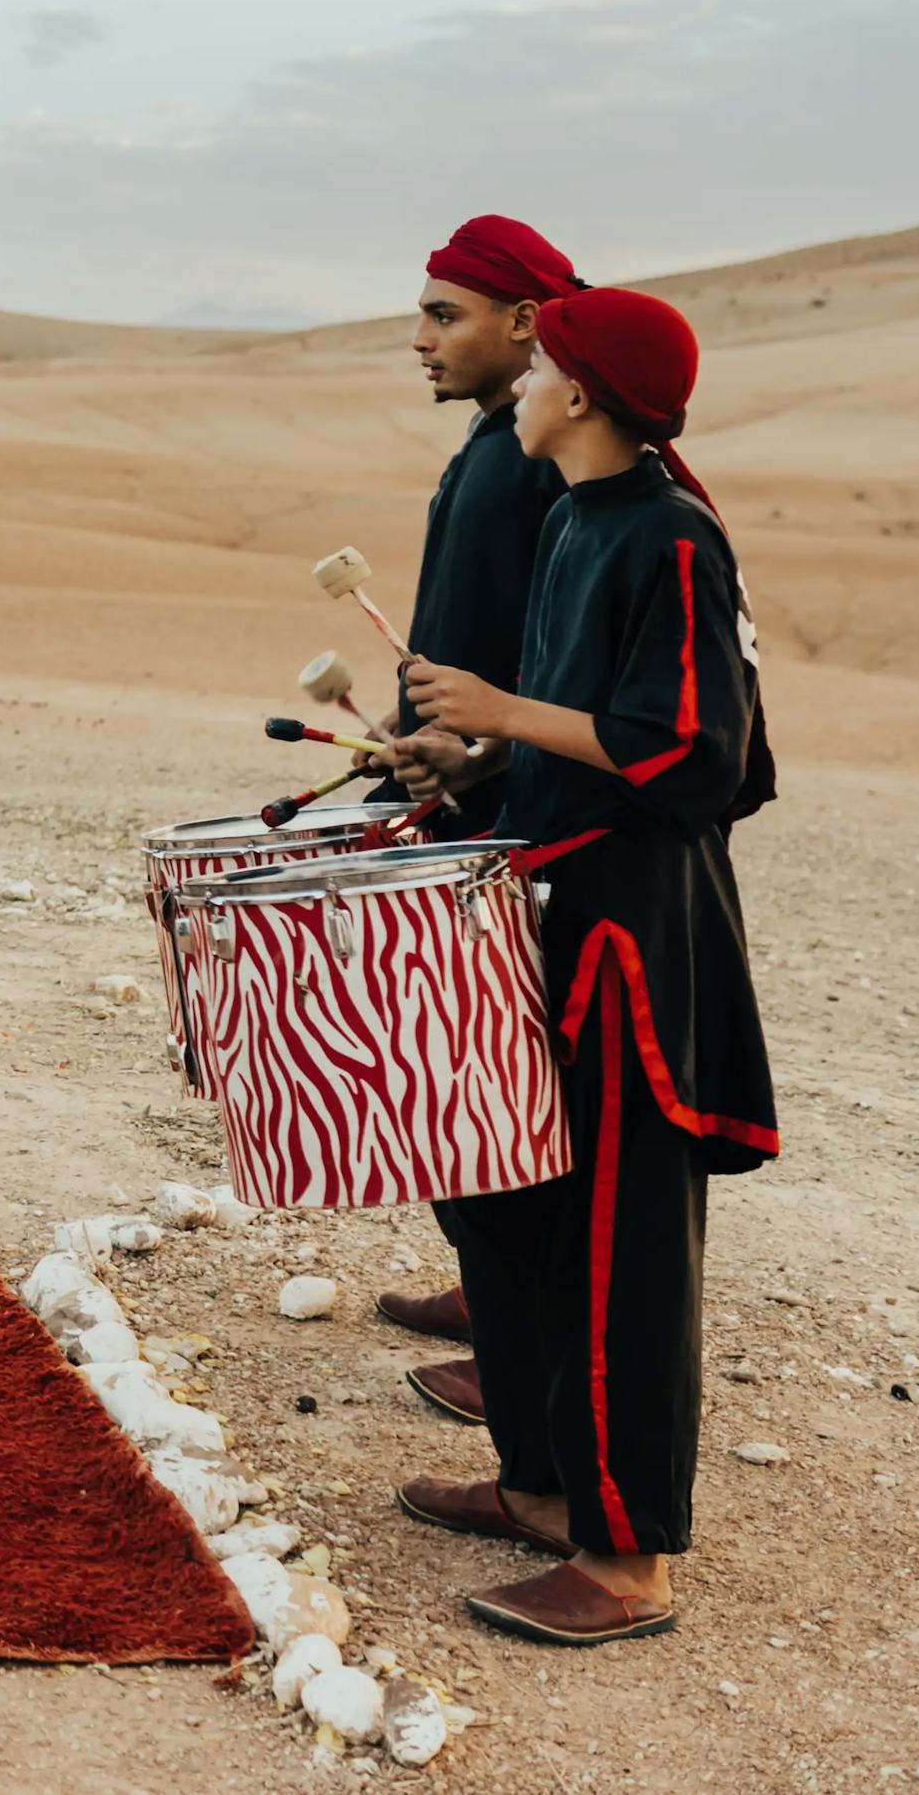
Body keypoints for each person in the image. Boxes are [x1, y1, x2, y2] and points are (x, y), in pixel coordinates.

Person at [392, 286, 778, 1647]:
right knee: (528, 1220)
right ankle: (546, 1487)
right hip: (552, 915)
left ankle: (628, 1565)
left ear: (587, 398)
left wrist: (508, 710)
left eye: (547, 359)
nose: (530, 376)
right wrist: (482, 752)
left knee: (619, 1245)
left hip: (633, 943)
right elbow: (577, 726)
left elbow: (700, 753)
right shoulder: (576, 521)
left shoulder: (673, 540)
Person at [370, 214, 583, 1416]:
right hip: (464, 779)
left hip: (504, 798)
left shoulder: (535, 454)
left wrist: (479, 752)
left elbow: (551, 652)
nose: (420, 340)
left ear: (526, 323)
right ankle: (489, 1288)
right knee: (468, 1068)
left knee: (492, 1069)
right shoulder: (500, 443)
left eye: (445, 316)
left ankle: (520, 1339)